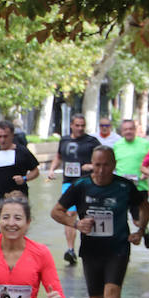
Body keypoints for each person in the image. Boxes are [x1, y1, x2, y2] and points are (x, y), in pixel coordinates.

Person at [49, 146, 149, 298]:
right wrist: (75, 223)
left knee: (111, 296)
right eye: (97, 165)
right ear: (91, 165)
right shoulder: (82, 185)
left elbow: (145, 206)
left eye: (106, 165)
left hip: (117, 249)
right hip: (91, 251)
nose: (102, 170)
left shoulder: (124, 187)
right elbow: (56, 211)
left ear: (114, 165)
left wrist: (141, 229)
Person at [46, 114, 101, 266]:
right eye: (77, 125)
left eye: (82, 125)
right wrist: (52, 169)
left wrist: (90, 166)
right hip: (69, 183)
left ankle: (92, 248)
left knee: (89, 214)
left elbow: (101, 160)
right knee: (68, 213)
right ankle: (70, 250)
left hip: (87, 183)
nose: (80, 128)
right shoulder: (64, 140)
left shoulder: (92, 141)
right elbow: (58, 156)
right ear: (71, 125)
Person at [0, 120, 39, 237]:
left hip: (18, 197)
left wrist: (24, 178)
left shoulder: (22, 152)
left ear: (12, 135)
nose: (2, 140)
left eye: (5, 136)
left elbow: (36, 171)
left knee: (17, 228)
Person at [112, 119, 149, 194]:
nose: (128, 131)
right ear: (122, 131)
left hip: (140, 188)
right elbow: (113, 165)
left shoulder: (146, 144)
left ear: (135, 129)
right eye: (125, 129)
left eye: (131, 129)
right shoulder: (117, 145)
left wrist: (147, 173)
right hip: (121, 188)